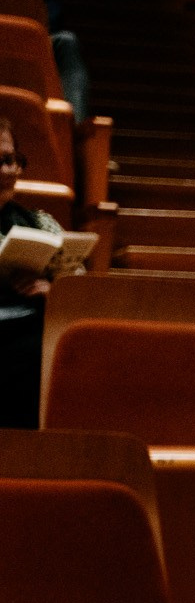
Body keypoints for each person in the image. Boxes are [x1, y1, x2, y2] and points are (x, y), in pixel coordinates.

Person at [0, 115, 67, 430]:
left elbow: (82, 292)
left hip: (30, 338)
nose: (4, 171)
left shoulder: (40, 224)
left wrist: (52, 291)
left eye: (9, 160)